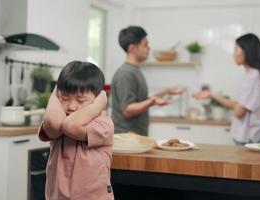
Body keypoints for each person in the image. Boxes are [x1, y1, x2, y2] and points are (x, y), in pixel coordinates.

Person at [38, 61, 114, 200]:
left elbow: (71, 126)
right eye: (65, 98)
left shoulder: (104, 124)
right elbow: (55, 125)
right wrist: (55, 92)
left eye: (81, 100)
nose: (72, 106)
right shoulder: (57, 118)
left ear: (97, 99)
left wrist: (99, 105)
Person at [194, 33, 260, 145]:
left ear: (247, 51)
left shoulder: (253, 77)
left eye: (236, 49)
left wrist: (237, 108)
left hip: (249, 138)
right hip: (249, 136)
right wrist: (211, 94)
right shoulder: (253, 75)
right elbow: (239, 105)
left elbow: (239, 112)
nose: (233, 54)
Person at [111, 26, 184, 136]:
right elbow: (128, 110)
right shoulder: (125, 74)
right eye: (145, 45)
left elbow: (141, 101)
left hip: (135, 138)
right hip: (126, 139)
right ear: (132, 48)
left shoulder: (134, 70)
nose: (149, 48)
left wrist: (166, 92)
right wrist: (152, 101)